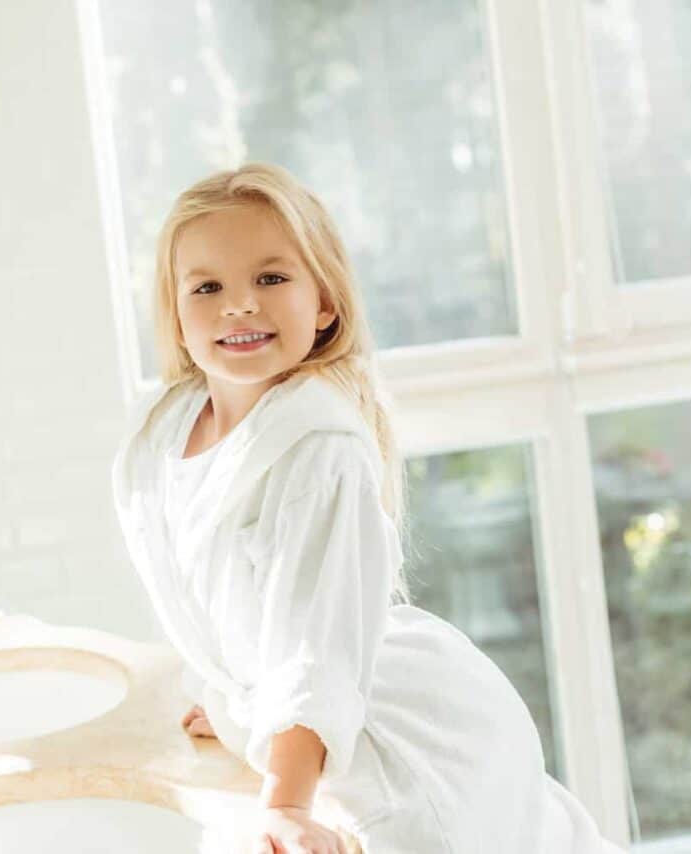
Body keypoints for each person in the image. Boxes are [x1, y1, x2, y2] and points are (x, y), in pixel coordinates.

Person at [110, 162, 627, 853]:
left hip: (392, 731)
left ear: (324, 303)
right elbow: (216, 591)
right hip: (296, 713)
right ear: (175, 313)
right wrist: (237, 695)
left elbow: (314, 649)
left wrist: (287, 804)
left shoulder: (319, 449)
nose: (238, 305)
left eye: (271, 279)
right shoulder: (167, 432)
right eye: (208, 287)